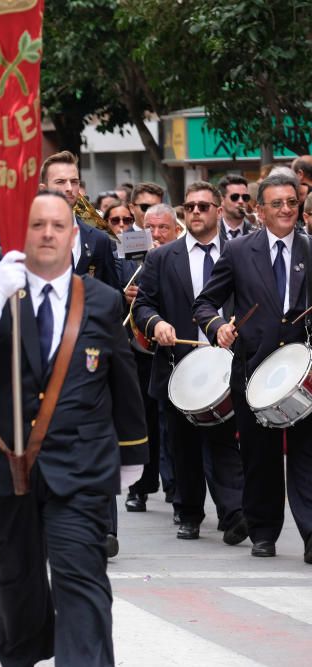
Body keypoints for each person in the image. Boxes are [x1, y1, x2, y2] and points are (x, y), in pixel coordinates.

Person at [0, 191, 148, 666]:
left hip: (80, 465)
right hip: (4, 465)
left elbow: (123, 378)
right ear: (22, 234)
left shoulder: (101, 300)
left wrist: (132, 453)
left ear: (73, 236)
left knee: (82, 579)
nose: (48, 233)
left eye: (58, 225)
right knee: (18, 582)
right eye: (38, 226)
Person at [193, 171, 312, 564]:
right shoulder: (240, 251)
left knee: (307, 454)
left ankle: (311, 535)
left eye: (291, 203)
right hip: (253, 370)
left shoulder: (311, 250)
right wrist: (219, 328)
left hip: (301, 372)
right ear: (260, 210)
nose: (285, 210)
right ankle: (263, 531)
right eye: (276, 203)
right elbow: (205, 303)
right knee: (259, 457)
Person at [133, 181, 246, 543]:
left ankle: (234, 514)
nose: (196, 212)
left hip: (227, 366)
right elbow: (142, 306)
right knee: (183, 447)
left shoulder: (240, 251)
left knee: (227, 442)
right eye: (190, 207)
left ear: (218, 210)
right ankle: (189, 513)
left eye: (203, 206)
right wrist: (158, 324)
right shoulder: (162, 257)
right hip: (177, 365)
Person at [39, 151, 120, 290]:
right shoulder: (27, 236)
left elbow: (113, 295)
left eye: (74, 182)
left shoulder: (99, 239)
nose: (69, 188)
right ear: (43, 189)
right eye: (60, 182)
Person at [217, 174, 254, 241]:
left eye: (245, 197)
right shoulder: (211, 232)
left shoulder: (255, 231)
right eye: (235, 197)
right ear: (222, 200)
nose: (241, 201)